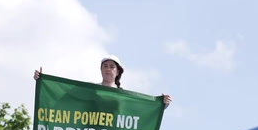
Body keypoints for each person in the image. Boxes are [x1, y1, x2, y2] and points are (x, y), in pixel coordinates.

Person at [33, 55, 172, 107]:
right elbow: (65, 95)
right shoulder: (91, 90)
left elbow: (143, 110)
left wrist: (162, 104)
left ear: (117, 72)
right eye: (105, 66)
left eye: (112, 67)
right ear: (101, 70)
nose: (108, 69)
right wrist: (43, 81)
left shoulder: (124, 95)